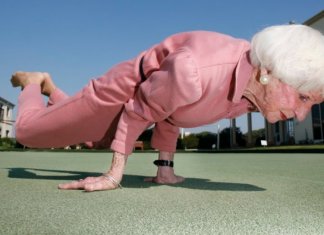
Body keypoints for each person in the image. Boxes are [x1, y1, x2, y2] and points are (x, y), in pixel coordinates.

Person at [11, 24, 324, 192]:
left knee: (95, 139)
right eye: (303, 98)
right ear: (268, 72)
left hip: (148, 102)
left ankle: (54, 93)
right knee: (28, 132)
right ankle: (35, 82)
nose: (300, 114)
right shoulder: (196, 71)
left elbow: (173, 113)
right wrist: (114, 174)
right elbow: (141, 109)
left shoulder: (250, 93)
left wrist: (165, 170)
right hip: (119, 94)